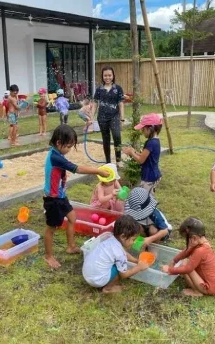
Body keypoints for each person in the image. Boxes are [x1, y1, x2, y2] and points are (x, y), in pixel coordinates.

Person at [43, 125, 110, 269]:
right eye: (68, 146)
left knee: (72, 218)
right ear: (59, 143)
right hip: (53, 199)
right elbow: (78, 169)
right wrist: (98, 171)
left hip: (61, 196)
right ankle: (48, 256)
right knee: (51, 228)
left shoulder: (57, 153)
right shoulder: (55, 157)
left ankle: (71, 246)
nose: (69, 150)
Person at [82, 215, 149, 293]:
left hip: (87, 274)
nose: (134, 242)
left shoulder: (110, 238)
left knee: (116, 262)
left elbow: (124, 254)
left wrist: (135, 260)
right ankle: (108, 289)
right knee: (119, 269)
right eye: (133, 239)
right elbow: (124, 275)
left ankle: (104, 281)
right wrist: (139, 267)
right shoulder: (120, 254)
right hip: (97, 280)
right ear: (123, 237)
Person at [161, 217, 215, 297]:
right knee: (185, 262)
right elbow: (187, 251)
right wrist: (174, 260)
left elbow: (188, 269)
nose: (187, 242)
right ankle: (196, 286)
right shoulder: (202, 242)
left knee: (185, 266)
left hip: (209, 287)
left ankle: (196, 291)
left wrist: (170, 270)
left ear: (194, 238)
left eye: (187, 239)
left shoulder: (200, 250)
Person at [91, 66, 125, 168]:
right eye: (105, 75)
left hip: (114, 116)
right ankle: (108, 162)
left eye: (109, 75)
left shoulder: (118, 88)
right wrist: (91, 117)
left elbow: (121, 104)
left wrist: (122, 118)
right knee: (105, 139)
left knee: (117, 136)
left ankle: (118, 160)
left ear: (113, 75)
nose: (107, 77)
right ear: (102, 76)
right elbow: (95, 103)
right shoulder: (99, 89)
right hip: (102, 117)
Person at [122, 113, 162, 195]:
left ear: (150, 129)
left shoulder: (151, 143)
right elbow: (145, 156)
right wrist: (135, 152)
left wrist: (131, 153)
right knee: (147, 197)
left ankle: (149, 207)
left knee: (145, 199)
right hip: (153, 174)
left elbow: (141, 160)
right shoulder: (155, 141)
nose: (142, 131)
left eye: (143, 129)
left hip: (149, 177)